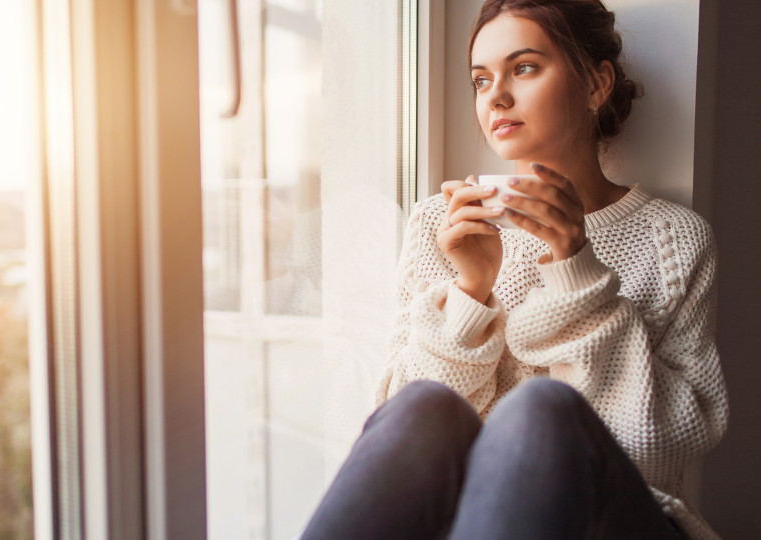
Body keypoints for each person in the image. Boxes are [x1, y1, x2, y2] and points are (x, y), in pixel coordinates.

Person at [300, 1, 728, 539]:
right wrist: (471, 292)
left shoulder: (673, 237)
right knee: (423, 407)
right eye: (481, 79)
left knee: (541, 406)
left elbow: (658, 444)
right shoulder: (445, 223)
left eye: (523, 68)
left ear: (596, 85)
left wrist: (575, 270)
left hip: (625, 516)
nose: (495, 96)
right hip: (473, 517)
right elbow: (406, 438)